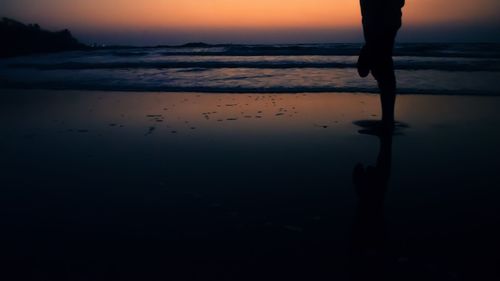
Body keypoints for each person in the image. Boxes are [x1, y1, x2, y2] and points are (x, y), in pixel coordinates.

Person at [357, 0, 405, 128]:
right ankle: (388, 120)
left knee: (384, 71)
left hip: (380, 16)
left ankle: (388, 120)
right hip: (380, 16)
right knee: (384, 71)